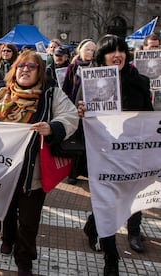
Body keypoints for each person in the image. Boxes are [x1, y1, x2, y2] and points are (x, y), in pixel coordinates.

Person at [0, 50, 78, 276]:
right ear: (14, 70)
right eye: (21, 66)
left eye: (31, 66)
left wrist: (53, 128)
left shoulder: (50, 94)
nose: (25, 69)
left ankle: (24, 256)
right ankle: (7, 238)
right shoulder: (0, 93)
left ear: (39, 72)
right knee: (5, 208)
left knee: (28, 219)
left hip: (31, 171)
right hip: (3, 167)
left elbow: (70, 116)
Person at [78, 34, 153, 276]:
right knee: (107, 201)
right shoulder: (90, 81)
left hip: (132, 152)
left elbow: (149, 119)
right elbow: (80, 120)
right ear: (102, 56)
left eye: (121, 50)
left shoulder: (139, 80)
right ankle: (112, 258)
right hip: (103, 154)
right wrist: (81, 111)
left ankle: (93, 224)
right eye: (111, 51)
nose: (117, 54)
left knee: (130, 197)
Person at [62, 38, 96, 185]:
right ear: (80, 50)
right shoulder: (73, 67)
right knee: (75, 141)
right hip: (74, 109)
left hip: (92, 111)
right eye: (87, 49)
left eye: (93, 50)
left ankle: (88, 171)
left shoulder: (98, 66)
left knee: (90, 142)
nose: (90, 52)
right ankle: (73, 173)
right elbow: (66, 88)